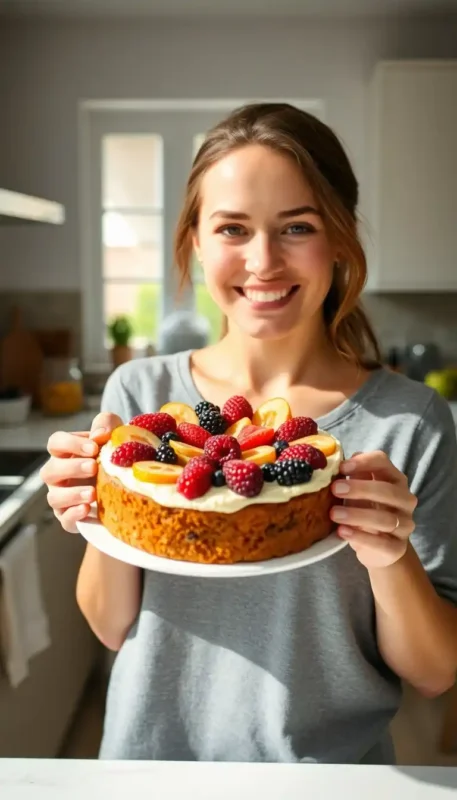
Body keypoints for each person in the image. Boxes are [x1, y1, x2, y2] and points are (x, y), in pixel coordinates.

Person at [40, 103, 457, 764]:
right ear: (196, 242)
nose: (262, 261)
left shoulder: (407, 424)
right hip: (153, 767)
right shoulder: (139, 399)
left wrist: (389, 554)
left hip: (330, 776)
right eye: (232, 227)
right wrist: (99, 513)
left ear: (342, 240)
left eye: (296, 226)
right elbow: (109, 624)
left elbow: (434, 672)